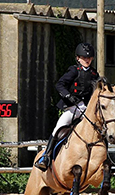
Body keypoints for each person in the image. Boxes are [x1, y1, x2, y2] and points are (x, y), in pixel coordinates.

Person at [34, 42, 100, 171]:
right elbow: (60, 85)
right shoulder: (74, 70)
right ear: (78, 58)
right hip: (72, 108)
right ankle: (46, 157)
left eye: (89, 58)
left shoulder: (94, 74)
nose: (87, 60)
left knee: (99, 130)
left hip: (86, 109)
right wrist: (69, 96)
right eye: (84, 58)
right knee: (58, 128)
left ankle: (104, 159)